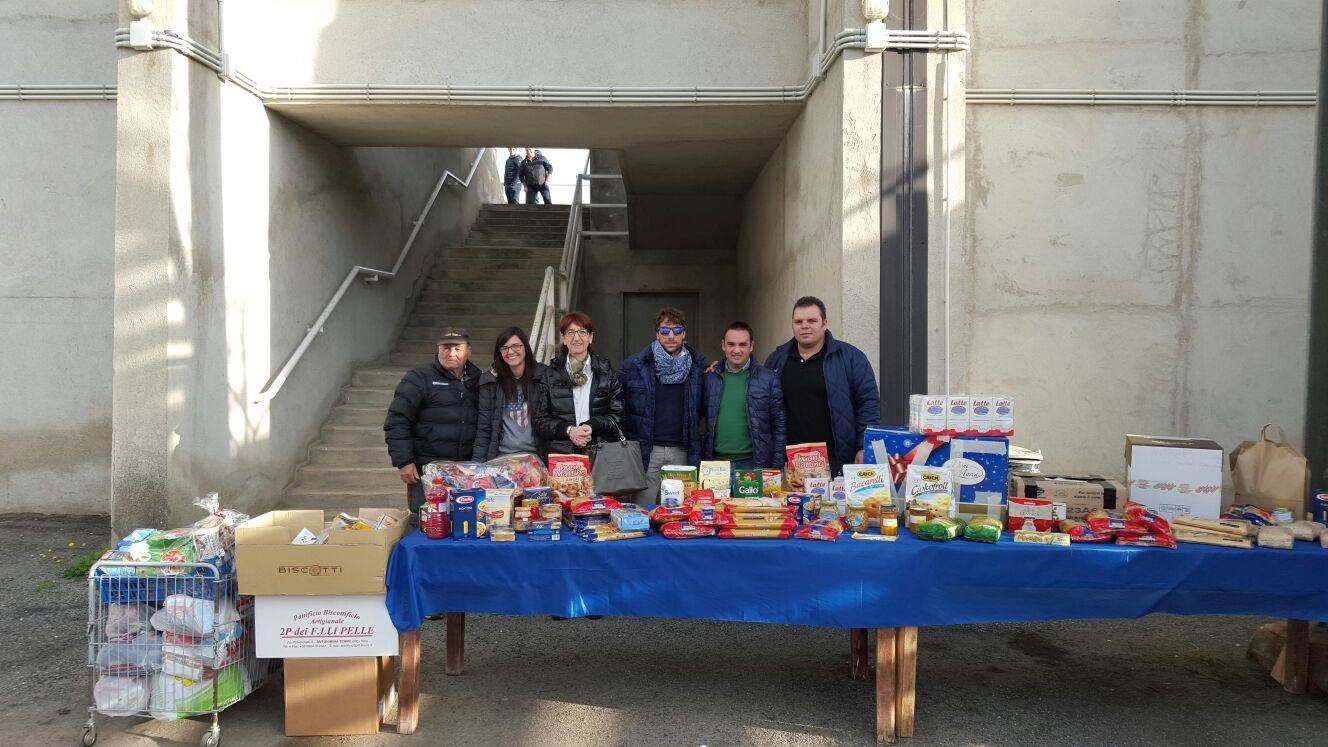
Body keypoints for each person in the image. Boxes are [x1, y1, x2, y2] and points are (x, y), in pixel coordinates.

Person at [764, 296, 880, 476]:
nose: (805, 326)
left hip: (836, 461)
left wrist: (863, 446)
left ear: (824, 323)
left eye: (812, 320)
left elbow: (868, 404)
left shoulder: (851, 358)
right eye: (798, 321)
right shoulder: (777, 360)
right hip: (790, 462)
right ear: (792, 325)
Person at [384, 328, 482, 514]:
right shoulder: (419, 378)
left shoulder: (478, 381)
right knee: (427, 523)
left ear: (468, 351)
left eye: (457, 348)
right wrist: (403, 461)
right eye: (446, 347)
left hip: (466, 472)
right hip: (428, 473)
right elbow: (397, 420)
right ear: (438, 349)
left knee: (466, 523)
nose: (451, 353)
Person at [619, 307, 706, 502]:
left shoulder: (698, 367)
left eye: (676, 330)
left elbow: (703, 406)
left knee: (680, 511)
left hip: (683, 451)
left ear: (684, 334)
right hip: (648, 451)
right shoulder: (634, 365)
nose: (671, 336)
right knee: (643, 509)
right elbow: (620, 406)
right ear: (657, 334)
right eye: (665, 331)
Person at [701, 322, 786, 477]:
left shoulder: (769, 379)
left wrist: (776, 468)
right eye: (731, 344)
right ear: (723, 345)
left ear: (751, 346)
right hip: (715, 464)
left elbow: (779, 426)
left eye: (742, 344)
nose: (736, 350)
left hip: (753, 464)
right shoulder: (709, 378)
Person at [533, 311, 623, 456]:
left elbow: (618, 416)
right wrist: (569, 430)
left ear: (591, 337)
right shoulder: (551, 374)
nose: (576, 338)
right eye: (570, 332)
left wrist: (592, 426)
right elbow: (540, 421)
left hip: (601, 453)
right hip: (562, 454)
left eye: (582, 332)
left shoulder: (607, 373)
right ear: (563, 338)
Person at [474, 327, 548, 461]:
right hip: (502, 459)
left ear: (525, 347)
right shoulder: (490, 382)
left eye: (516, 346)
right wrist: (477, 466)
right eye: (504, 348)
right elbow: (484, 429)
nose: (510, 352)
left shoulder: (544, 377)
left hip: (537, 459)